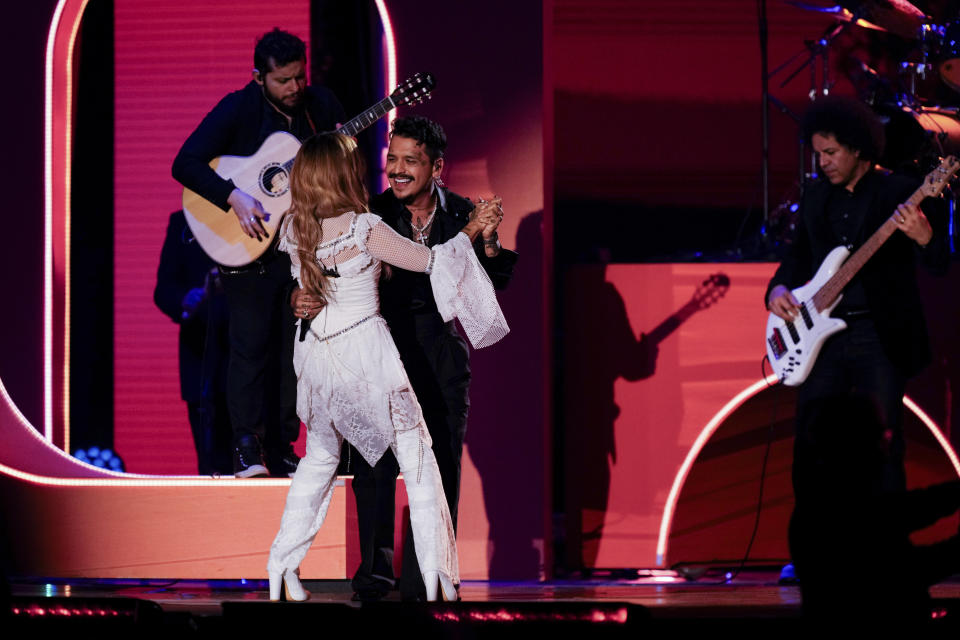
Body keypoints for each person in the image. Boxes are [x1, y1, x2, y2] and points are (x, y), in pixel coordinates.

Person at [266, 132, 507, 602]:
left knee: (319, 461)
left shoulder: (294, 228)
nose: (387, 168)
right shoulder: (365, 226)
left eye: (406, 159)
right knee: (418, 460)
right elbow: (432, 262)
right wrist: (473, 229)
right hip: (366, 356)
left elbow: (310, 279)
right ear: (342, 172)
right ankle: (438, 576)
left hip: (319, 360)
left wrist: (484, 236)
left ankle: (281, 569)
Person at [766, 96, 950, 620]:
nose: (821, 161)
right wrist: (778, 289)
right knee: (810, 449)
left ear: (858, 149)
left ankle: (887, 554)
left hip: (877, 338)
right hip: (819, 338)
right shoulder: (816, 198)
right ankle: (812, 553)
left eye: (829, 153)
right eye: (817, 153)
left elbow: (937, 263)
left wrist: (925, 236)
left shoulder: (900, 192)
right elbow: (798, 261)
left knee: (882, 446)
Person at [172, 29, 345, 477]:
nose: (294, 88)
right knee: (248, 348)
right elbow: (184, 163)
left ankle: (285, 446)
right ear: (258, 77)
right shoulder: (238, 108)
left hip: (301, 245)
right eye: (283, 80)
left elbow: (339, 170)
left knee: (294, 349)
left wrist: (339, 151)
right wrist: (233, 196)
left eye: (299, 77)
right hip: (247, 244)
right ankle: (247, 447)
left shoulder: (320, 107)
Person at [154, 210, 232, 475]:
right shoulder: (182, 222)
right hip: (199, 355)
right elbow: (163, 289)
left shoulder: (249, 212)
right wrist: (186, 299)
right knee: (210, 461)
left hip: (247, 355)